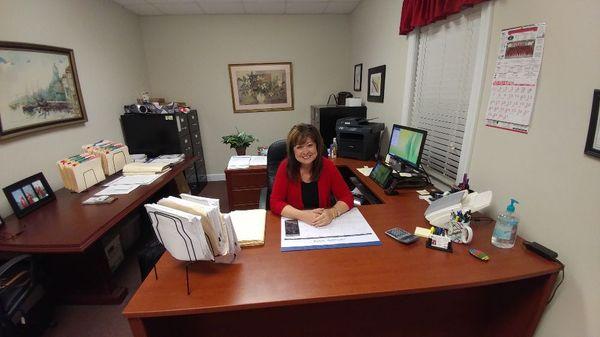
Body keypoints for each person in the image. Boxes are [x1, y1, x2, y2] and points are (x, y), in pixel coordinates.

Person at [270, 123, 353, 227]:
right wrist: (303, 215)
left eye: (310, 145)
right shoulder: (285, 167)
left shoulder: (327, 166)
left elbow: (347, 197)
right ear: (293, 150)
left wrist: (332, 213)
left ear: (317, 146)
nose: (305, 152)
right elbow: (275, 202)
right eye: (299, 147)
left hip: (324, 224)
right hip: (297, 222)